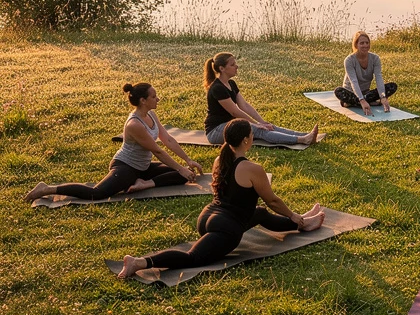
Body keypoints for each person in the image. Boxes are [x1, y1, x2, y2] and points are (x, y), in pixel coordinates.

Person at [117, 120, 326, 279]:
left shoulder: (220, 159)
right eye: (252, 135)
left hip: (208, 216)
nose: (253, 137)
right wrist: (293, 215)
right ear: (246, 140)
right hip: (227, 229)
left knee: (260, 213)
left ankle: (303, 223)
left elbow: (264, 207)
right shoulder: (253, 169)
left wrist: (297, 219)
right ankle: (140, 262)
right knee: (192, 258)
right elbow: (273, 201)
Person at [24, 82, 203, 203]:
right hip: (126, 166)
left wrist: (187, 162)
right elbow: (158, 150)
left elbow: (168, 139)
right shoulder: (134, 124)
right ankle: (47, 189)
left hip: (144, 167)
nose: (158, 99)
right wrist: (180, 167)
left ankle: (144, 183)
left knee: (183, 174)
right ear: (143, 100)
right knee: (97, 193)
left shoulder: (151, 115)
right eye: (154, 96)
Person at [205, 52, 318, 145]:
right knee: (256, 129)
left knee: (268, 126)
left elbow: (244, 106)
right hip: (216, 131)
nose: (237, 66)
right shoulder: (217, 88)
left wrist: (262, 121)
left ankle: (303, 135)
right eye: (232, 64)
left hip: (232, 126)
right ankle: (302, 140)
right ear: (222, 68)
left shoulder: (231, 83)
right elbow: (235, 111)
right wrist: (256, 124)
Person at [334, 31, 398, 116]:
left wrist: (383, 97)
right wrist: (362, 100)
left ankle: (356, 103)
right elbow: (354, 81)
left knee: (392, 86)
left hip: (365, 93)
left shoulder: (375, 58)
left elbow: (378, 78)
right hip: (351, 92)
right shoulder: (349, 60)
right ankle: (364, 102)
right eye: (362, 43)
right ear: (356, 45)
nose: (365, 45)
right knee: (338, 91)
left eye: (367, 43)